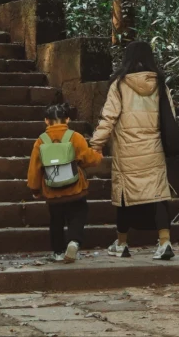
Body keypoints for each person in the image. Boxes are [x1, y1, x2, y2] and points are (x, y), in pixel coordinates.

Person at [92, 39, 176, 260]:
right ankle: (165, 242)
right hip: (153, 150)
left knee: (123, 197)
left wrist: (96, 144)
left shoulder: (119, 85)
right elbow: (170, 118)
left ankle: (121, 244)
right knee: (158, 196)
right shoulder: (160, 84)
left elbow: (108, 118)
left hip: (127, 153)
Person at [26, 100, 103, 263]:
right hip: (75, 189)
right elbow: (88, 158)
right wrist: (98, 155)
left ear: (46, 121)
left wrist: (35, 189)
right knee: (79, 214)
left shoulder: (41, 141)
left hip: (52, 191)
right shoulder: (75, 137)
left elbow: (35, 168)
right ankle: (74, 241)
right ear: (67, 119)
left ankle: (58, 252)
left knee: (56, 221)